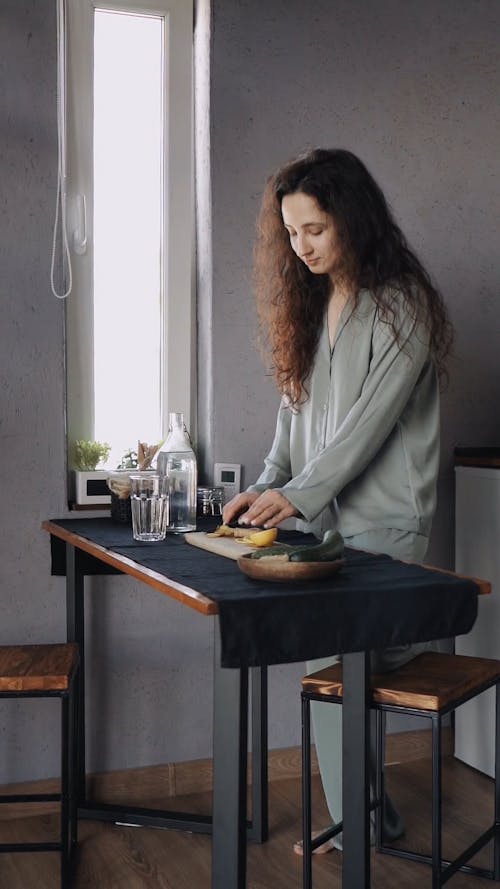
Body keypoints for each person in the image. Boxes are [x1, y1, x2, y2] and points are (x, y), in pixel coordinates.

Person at [222, 147, 453, 852]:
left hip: (387, 536)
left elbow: (363, 431)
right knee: (321, 662)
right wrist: (265, 484)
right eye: (292, 234)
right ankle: (367, 810)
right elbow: (292, 419)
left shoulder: (404, 306)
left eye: (315, 229)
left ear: (352, 217)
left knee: (334, 665)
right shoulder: (316, 305)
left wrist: (293, 496)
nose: (303, 247)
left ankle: (360, 817)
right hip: (323, 531)